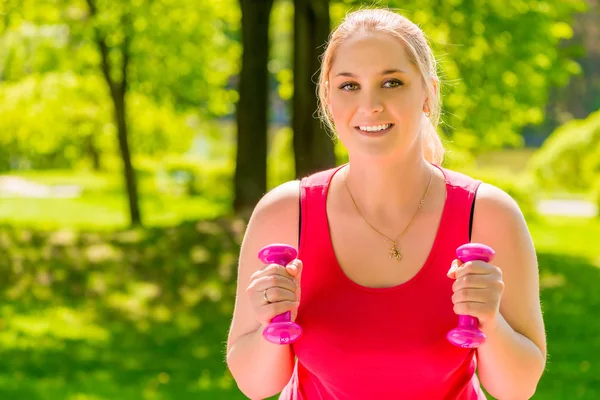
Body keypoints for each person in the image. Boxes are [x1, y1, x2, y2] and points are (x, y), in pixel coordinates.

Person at [226, 7, 546, 400]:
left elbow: (518, 390)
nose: (370, 105)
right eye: (349, 86)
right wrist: (268, 323)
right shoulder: (284, 215)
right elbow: (256, 387)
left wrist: (492, 323)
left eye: (392, 82)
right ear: (328, 98)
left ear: (428, 93)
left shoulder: (488, 215)